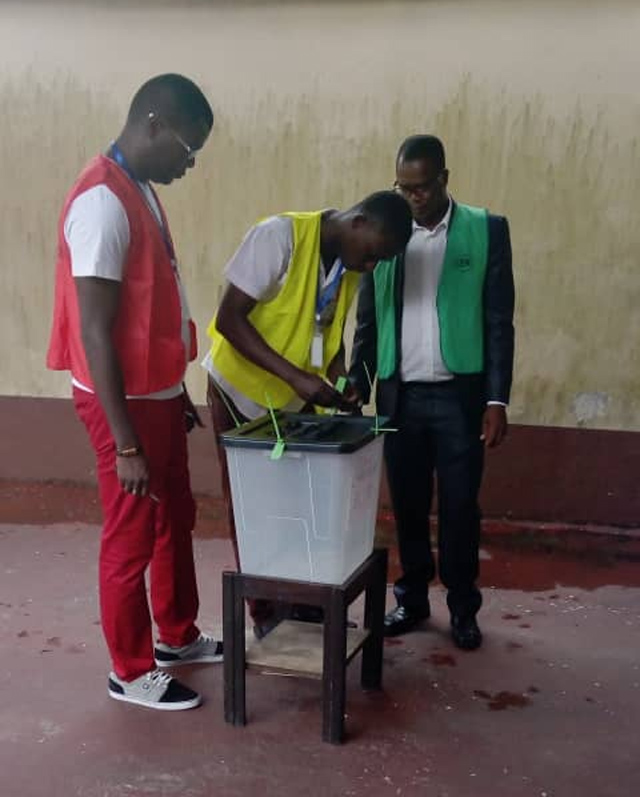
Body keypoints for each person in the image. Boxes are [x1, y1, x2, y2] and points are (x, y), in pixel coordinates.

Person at [47, 74, 223, 711]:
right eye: (186, 148)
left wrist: (175, 391)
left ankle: (176, 635)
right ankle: (130, 667)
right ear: (152, 124)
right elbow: (95, 330)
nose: (189, 164)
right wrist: (125, 443)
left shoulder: (139, 189)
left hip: (155, 394)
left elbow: (147, 306)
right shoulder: (100, 201)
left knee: (175, 514)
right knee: (130, 532)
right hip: (120, 406)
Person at [203, 191, 413, 637]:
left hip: (292, 404)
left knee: (296, 505)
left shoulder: (348, 266)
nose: (372, 266)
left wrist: (340, 379)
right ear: (358, 222)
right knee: (252, 508)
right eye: (374, 254)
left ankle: (301, 601)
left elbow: (325, 334)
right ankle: (267, 614)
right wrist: (297, 378)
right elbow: (229, 320)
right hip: (239, 394)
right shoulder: (279, 237)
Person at [349, 135, 515, 650]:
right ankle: (413, 598)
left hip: (460, 398)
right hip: (400, 396)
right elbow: (369, 314)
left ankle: (464, 607)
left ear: (444, 179)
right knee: (409, 506)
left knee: (462, 507)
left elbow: (498, 319)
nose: (413, 197)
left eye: (422, 187)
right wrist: (359, 377)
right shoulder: (385, 229)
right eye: (404, 187)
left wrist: (496, 399)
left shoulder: (485, 230)